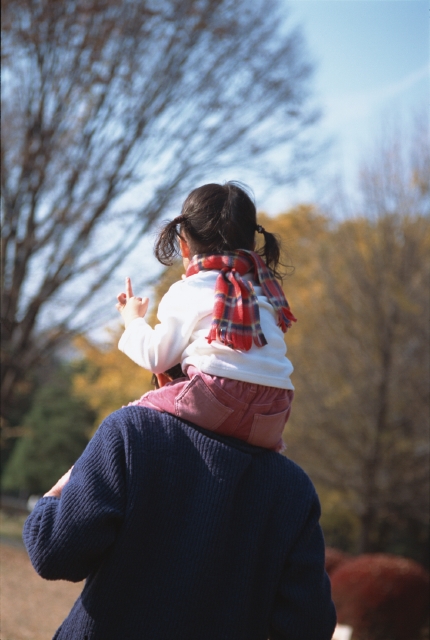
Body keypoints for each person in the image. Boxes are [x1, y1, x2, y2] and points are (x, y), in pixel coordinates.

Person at [23, 387, 337, 640]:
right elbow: (310, 627)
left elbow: (55, 554)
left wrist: (53, 497)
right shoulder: (293, 489)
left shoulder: (132, 431)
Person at [116, 182, 296, 452]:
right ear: (253, 241)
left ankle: (58, 493)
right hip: (275, 408)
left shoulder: (190, 289)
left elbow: (156, 358)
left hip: (215, 396)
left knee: (125, 424)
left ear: (183, 246)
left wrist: (133, 319)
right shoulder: (263, 289)